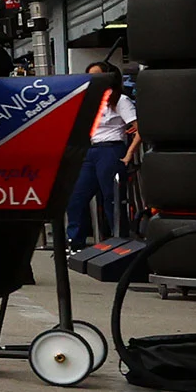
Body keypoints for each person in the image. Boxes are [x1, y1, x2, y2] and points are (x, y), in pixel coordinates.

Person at [66, 61, 139, 252]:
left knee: (111, 197)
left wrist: (129, 153)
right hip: (89, 150)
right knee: (76, 195)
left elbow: (140, 128)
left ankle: (118, 240)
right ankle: (75, 241)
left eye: (97, 76)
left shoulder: (120, 100)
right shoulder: (90, 101)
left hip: (111, 148)